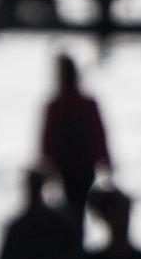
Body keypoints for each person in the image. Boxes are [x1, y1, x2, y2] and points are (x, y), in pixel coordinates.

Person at [38, 54, 112, 218]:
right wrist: (105, 159)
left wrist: (45, 164)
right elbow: (98, 134)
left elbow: (48, 138)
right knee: (78, 208)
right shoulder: (87, 104)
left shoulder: (55, 106)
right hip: (85, 166)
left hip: (63, 166)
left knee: (68, 208)